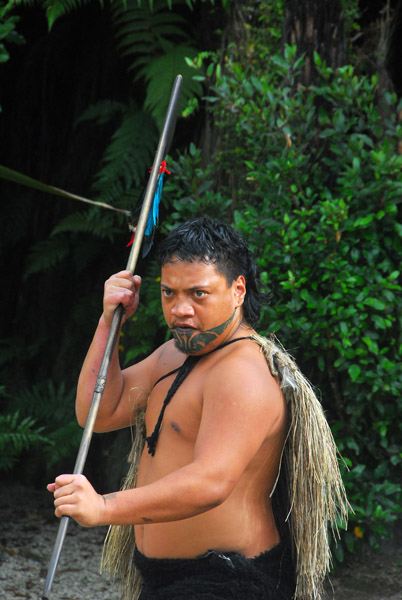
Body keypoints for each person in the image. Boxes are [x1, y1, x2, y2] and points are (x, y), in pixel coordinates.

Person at [47, 217, 348, 600]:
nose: (180, 309)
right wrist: (110, 321)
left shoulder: (243, 371)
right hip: (163, 577)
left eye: (198, 294)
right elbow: (97, 412)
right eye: (169, 293)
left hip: (229, 579)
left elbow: (210, 482)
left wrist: (104, 507)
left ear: (238, 290)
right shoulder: (171, 355)